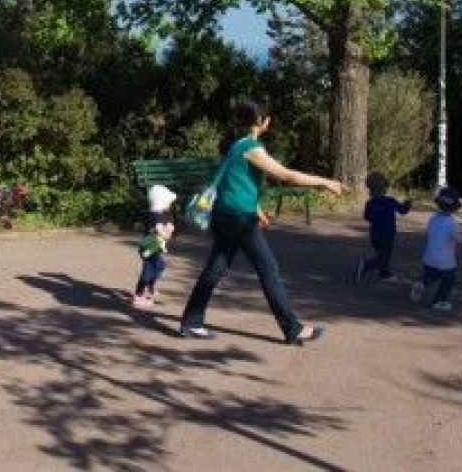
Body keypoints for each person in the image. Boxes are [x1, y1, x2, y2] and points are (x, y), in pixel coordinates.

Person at [178, 100, 345, 345]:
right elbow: (286, 175)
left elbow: (235, 181)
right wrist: (325, 182)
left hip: (226, 214)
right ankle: (292, 328)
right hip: (237, 219)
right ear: (262, 122)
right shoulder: (251, 147)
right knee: (269, 269)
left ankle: (191, 321)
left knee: (215, 269)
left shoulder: (237, 145)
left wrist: (256, 209)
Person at [354, 172, 412, 284]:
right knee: (384, 257)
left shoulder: (370, 202)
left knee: (381, 254)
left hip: (374, 233)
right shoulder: (390, 201)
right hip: (388, 233)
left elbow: (367, 217)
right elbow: (403, 210)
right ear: (383, 188)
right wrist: (408, 203)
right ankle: (366, 265)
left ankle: (384, 274)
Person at [411, 186, 462, 311]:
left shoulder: (433, 218)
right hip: (446, 260)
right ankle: (439, 301)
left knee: (433, 274)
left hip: (429, 256)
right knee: (449, 278)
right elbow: (458, 238)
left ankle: (422, 284)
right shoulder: (452, 223)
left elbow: (429, 232)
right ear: (454, 208)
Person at [132, 184, 178, 308]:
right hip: (149, 248)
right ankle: (139, 294)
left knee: (160, 265)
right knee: (148, 270)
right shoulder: (153, 215)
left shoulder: (164, 213)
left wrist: (170, 227)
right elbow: (159, 229)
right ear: (161, 202)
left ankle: (150, 288)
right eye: (168, 201)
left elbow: (169, 224)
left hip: (156, 248)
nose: (170, 204)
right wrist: (165, 232)